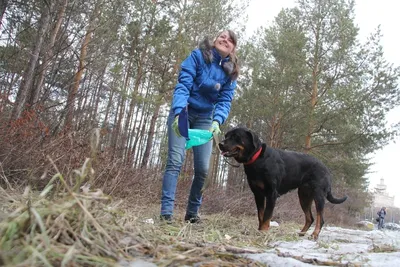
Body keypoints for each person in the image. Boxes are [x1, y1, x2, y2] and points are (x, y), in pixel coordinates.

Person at [160, 30, 239, 223]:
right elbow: (183, 84)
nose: (225, 40)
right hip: (184, 111)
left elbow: (225, 100)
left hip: (205, 118)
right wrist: (179, 111)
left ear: (233, 49)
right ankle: (166, 213)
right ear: (215, 40)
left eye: (230, 40)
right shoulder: (197, 56)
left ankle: (192, 213)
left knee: (203, 169)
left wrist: (216, 121)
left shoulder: (230, 73)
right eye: (222, 36)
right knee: (175, 161)